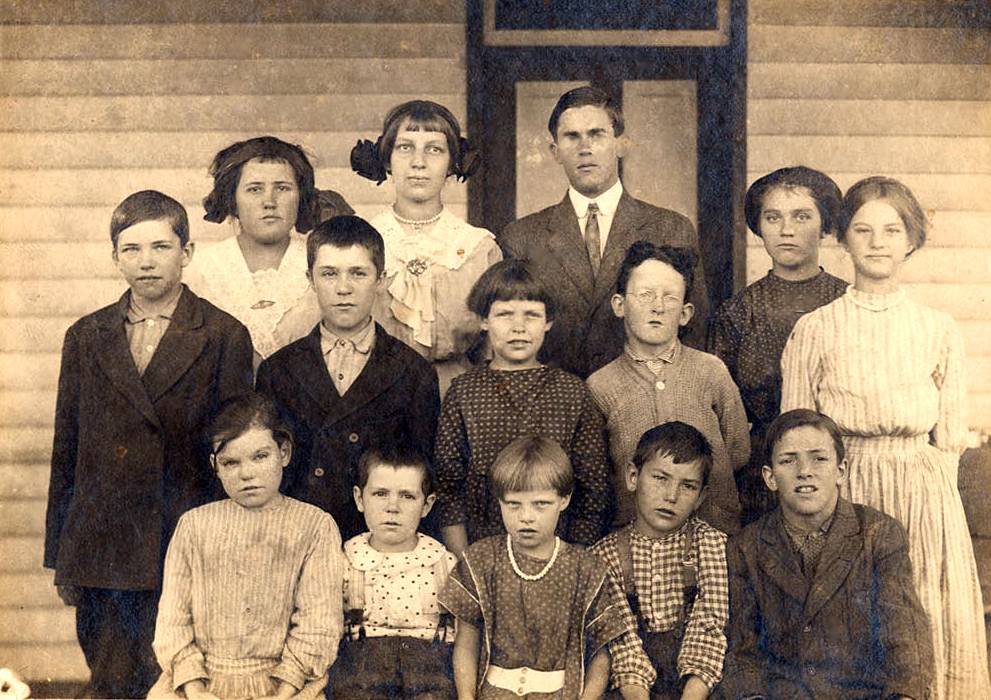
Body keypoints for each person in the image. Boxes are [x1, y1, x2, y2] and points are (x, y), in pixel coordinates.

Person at [780, 177, 990, 699]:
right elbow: (796, 433)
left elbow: (950, 439)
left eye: (892, 230)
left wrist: (931, 505)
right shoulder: (815, 328)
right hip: (845, 495)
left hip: (922, 494)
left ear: (911, 240)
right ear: (843, 239)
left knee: (917, 622)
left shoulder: (937, 328)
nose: (877, 242)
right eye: (863, 229)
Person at [44, 191, 254, 698]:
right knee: (112, 679)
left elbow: (235, 449)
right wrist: (62, 553)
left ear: (187, 253)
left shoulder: (224, 335)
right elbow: (67, 446)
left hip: (182, 534)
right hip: (104, 544)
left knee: (180, 679)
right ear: (114, 256)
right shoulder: (87, 335)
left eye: (160, 246)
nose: (146, 261)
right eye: (131, 248)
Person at [721, 409, 933, 700]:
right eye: (788, 460)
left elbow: (906, 638)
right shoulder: (746, 547)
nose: (804, 470)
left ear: (841, 471)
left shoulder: (878, 534)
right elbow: (743, 652)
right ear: (770, 477)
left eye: (819, 458)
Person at [500, 86, 707, 378]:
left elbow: (695, 335)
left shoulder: (671, 229)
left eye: (597, 134)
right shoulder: (521, 237)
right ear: (555, 151)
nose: (585, 148)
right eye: (572, 137)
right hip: (554, 405)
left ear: (621, 144)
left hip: (645, 403)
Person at [256, 215, 440, 540]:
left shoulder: (413, 371)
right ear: (310, 280)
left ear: (381, 279)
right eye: (329, 274)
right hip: (298, 534)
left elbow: (422, 474)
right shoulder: (277, 370)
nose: (343, 288)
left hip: (379, 541)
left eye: (358, 273)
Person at [151, 393, 343, 700]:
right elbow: (173, 620)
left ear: (284, 452)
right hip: (201, 683)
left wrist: (285, 691)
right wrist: (195, 689)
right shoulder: (194, 526)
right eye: (231, 462)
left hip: (284, 686)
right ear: (215, 465)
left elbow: (318, 622)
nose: (247, 474)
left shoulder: (314, 526)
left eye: (260, 456)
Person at [433, 259, 612, 556]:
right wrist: (466, 562)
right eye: (504, 314)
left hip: (557, 557)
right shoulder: (464, 393)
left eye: (531, 315)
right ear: (484, 320)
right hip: (482, 555)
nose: (518, 327)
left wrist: (571, 560)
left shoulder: (571, 392)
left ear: (548, 321)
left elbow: (592, 488)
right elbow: (449, 489)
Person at [439, 436, 630, 700]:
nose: (526, 516)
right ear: (500, 502)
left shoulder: (585, 568)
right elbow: (466, 640)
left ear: (564, 500)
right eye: (514, 504)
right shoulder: (480, 559)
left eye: (540, 504)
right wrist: (466, 697)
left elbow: (600, 653)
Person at [707, 167, 847, 525]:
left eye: (801, 216)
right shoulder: (737, 313)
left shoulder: (848, 303)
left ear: (826, 224)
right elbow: (721, 413)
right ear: (758, 226)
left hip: (841, 471)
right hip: (760, 479)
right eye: (773, 217)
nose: (786, 230)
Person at [587, 241, 748, 534]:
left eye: (669, 298)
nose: (657, 307)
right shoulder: (600, 386)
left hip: (713, 533)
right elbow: (601, 474)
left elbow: (737, 451)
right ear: (619, 305)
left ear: (685, 313)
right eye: (645, 295)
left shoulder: (710, 371)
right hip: (637, 542)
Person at [351, 100, 502, 394]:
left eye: (434, 149)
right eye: (405, 147)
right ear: (387, 160)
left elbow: (492, 349)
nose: (418, 162)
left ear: (452, 163)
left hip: (458, 394)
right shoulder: (361, 241)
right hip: (374, 393)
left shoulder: (478, 248)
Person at [188, 136, 353, 365]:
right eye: (254, 189)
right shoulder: (199, 270)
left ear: (300, 198)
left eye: (282, 188)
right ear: (232, 200)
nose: (269, 202)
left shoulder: (324, 264)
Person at [593, 422, 728, 700]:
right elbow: (623, 644)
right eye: (660, 478)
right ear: (633, 476)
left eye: (688, 486)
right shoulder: (605, 555)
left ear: (701, 496)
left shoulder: (711, 544)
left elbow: (709, 627)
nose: (671, 496)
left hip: (697, 686)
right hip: (632, 689)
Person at [331, 445, 458, 700]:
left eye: (407, 496)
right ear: (359, 499)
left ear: (426, 505)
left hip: (431, 686)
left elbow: (464, 637)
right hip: (360, 684)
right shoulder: (345, 562)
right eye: (380, 493)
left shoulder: (445, 564)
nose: (392, 507)